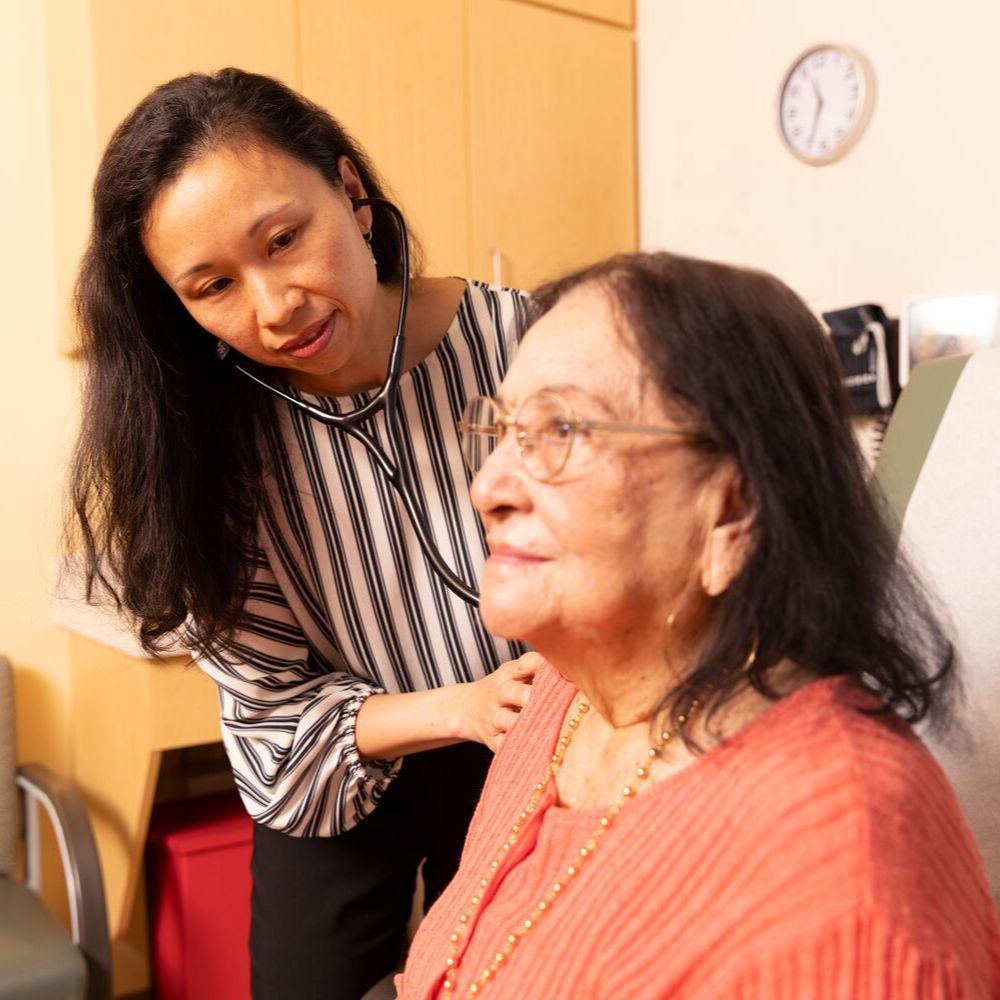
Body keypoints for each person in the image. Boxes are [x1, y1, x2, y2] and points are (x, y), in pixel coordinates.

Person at [398, 252, 1000, 998]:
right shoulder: (564, 690)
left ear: (732, 511)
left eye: (559, 430)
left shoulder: (841, 870)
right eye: (504, 430)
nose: (486, 487)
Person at [69, 68, 539, 999]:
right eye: (214, 286)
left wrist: (506, 710)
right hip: (328, 771)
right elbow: (272, 703)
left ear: (352, 194)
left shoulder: (529, 344)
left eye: (286, 239)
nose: (276, 306)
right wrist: (456, 707)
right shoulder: (196, 441)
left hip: (523, 738)